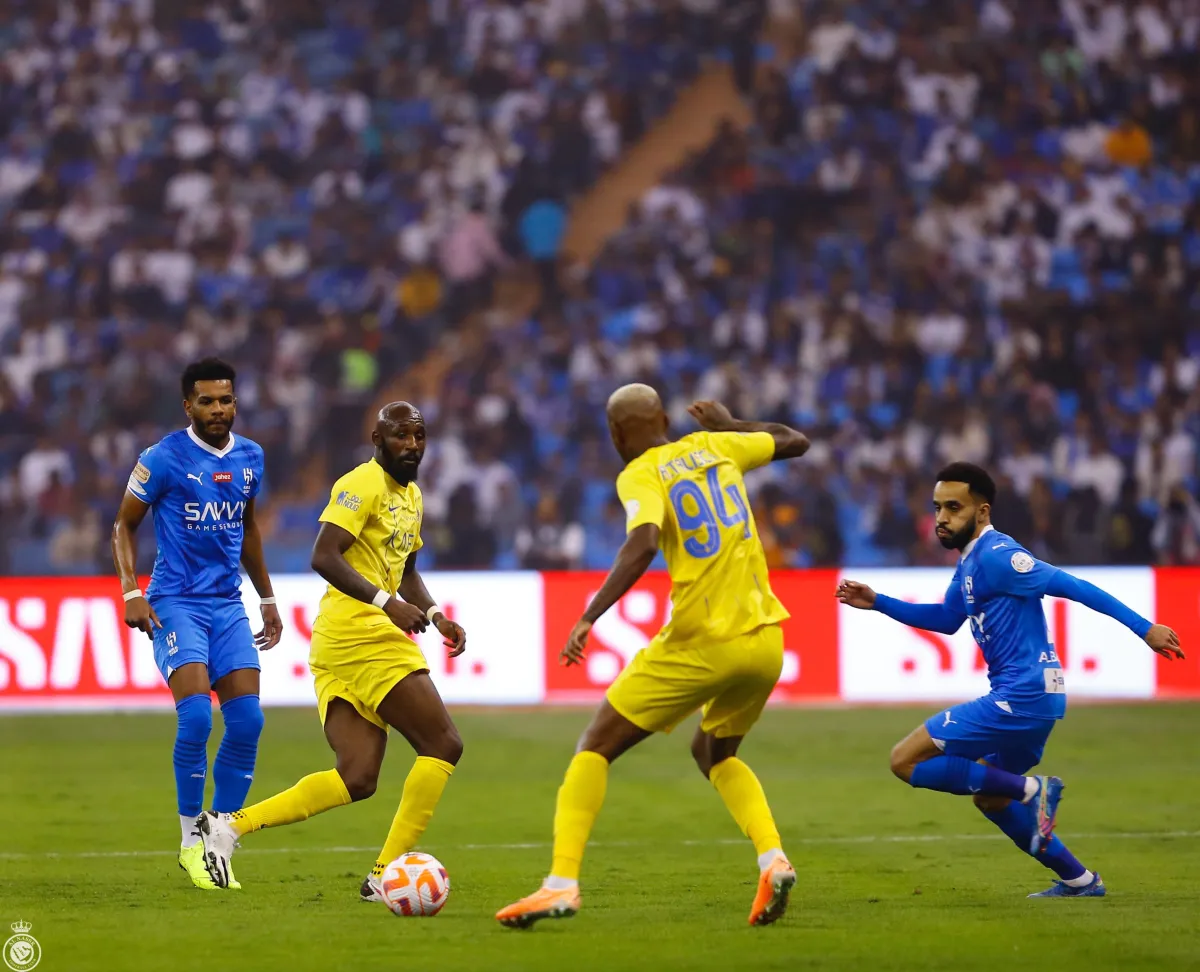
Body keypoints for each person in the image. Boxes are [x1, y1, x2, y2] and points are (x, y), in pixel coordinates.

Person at [496, 386, 811, 929]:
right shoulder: (718, 445)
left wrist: (590, 614)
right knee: (714, 752)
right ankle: (772, 860)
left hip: (702, 640)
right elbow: (795, 440)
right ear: (664, 418)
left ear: (616, 434)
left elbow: (642, 543)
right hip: (765, 640)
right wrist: (731, 423)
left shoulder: (639, 473)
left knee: (594, 746)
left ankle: (561, 884)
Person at [836, 462, 1184, 898]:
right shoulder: (970, 562)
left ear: (982, 511)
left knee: (904, 760)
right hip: (1034, 699)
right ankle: (1080, 880)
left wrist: (1144, 628)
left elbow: (1072, 585)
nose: (942, 517)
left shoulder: (998, 555)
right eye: (938, 507)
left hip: (1022, 696)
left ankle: (1033, 790)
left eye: (954, 507)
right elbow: (946, 620)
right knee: (991, 797)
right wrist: (879, 602)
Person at [196, 402, 468, 902]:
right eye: (401, 436)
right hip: (361, 634)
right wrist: (387, 605)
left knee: (358, 776)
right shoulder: (361, 483)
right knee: (444, 744)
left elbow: (405, 570)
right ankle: (385, 875)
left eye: (419, 436)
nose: (412, 445)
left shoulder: (412, 496)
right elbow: (323, 555)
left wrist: (434, 615)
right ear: (378, 439)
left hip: (342, 642)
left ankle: (228, 827)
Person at [112, 357, 282, 891]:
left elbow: (247, 529)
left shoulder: (251, 456)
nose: (217, 409)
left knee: (248, 722)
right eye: (206, 401)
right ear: (188, 405)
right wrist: (132, 591)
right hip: (175, 602)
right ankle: (190, 843)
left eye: (225, 400)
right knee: (196, 720)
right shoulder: (162, 458)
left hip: (227, 604)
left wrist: (268, 597)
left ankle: (219, 838)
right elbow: (123, 525)